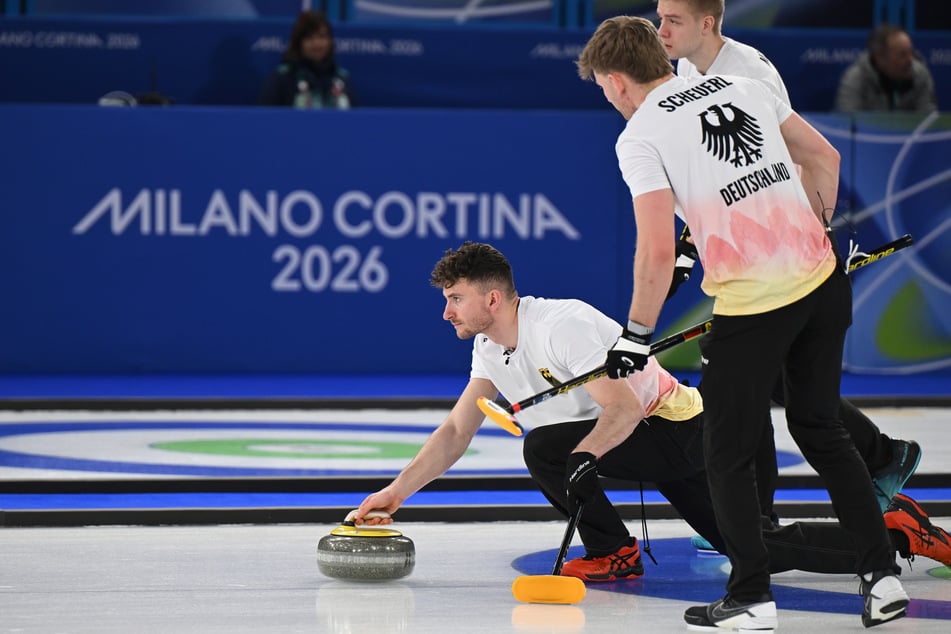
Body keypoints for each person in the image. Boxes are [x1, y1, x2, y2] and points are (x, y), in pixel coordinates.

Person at [349, 243, 951, 593]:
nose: (446, 314)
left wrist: (586, 457)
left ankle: (612, 551)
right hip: (651, 440)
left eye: (453, 300)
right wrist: (395, 493)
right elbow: (457, 431)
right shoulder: (488, 348)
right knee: (755, 550)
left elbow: (627, 407)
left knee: (546, 450)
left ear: (492, 299)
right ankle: (894, 535)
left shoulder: (562, 327)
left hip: (675, 427)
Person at [578, 16, 908, 630]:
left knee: (724, 452)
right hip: (823, 284)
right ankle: (881, 576)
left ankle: (751, 598)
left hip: (754, 306)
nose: (608, 99)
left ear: (618, 81)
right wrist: (815, 231)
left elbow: (652, 250)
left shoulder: (639, 136)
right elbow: (824, 157)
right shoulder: (739, 86)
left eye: (602, 88)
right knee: (822, 430)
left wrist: (636, 335)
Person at [655, 0, 921, 539]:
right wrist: (689, 241)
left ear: (707, 23)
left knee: (752, 382)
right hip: (743, 255)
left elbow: (792, 162)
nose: (660, 31)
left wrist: (812, 241)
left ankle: (760, 514)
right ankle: (869, 460)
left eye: (672, 20)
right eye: (659, 18)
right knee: (769, 381)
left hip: (781, 258)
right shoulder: (687, 69)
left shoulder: (749, 72)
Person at [258, 10, 356, 109]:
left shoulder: (342, 78)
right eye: (309, 38)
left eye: (322, 37)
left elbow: (357, 119)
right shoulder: (282, 79)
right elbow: (265, 119)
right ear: (298, 42)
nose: (316, 44)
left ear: (330, 41)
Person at [835, 23, 937, 113]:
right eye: (902, 55)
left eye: (910, 52)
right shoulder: (855, 78)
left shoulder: (920, 74)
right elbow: (847, 124)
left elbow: (929, 122)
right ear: (880, 58)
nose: (910, 60)